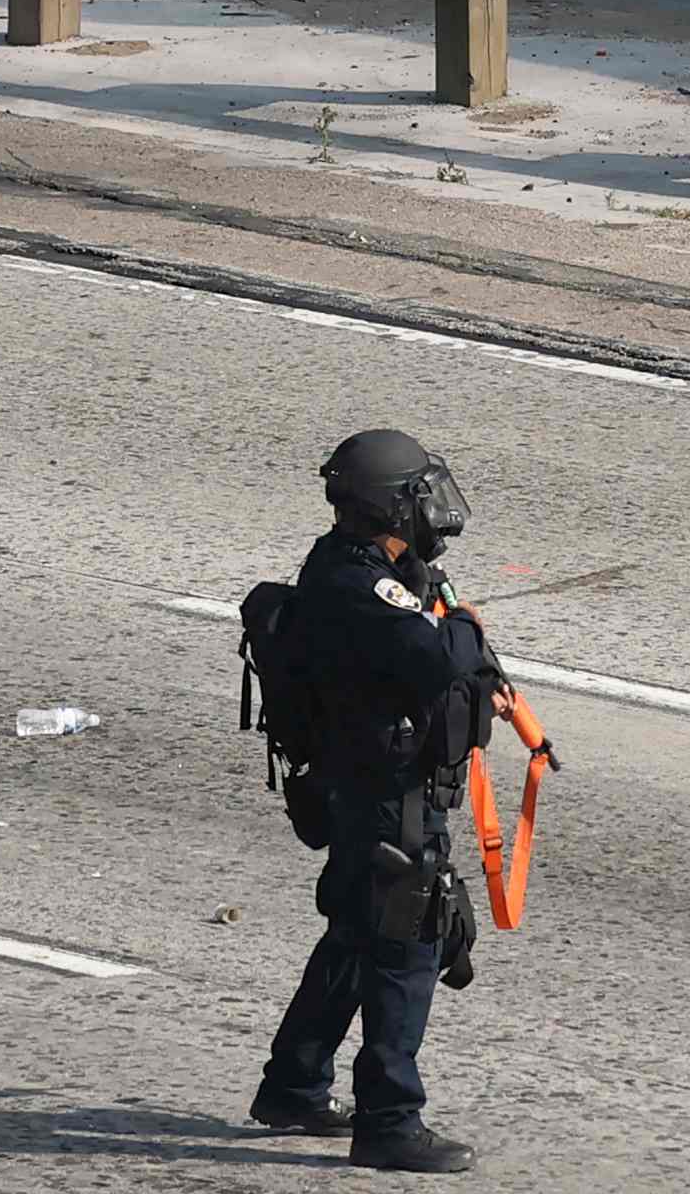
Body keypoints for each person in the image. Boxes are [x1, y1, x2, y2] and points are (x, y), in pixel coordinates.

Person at [246, 426, 503, 1171]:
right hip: (390, 798)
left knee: (357, 937)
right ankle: (390, 1122)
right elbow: (438, 656)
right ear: (392, 507)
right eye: (419, 495)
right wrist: (462, 625)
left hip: (365, 789)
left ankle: (293, 1084)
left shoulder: (353, 566)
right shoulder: (359, 588)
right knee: (404, 950)